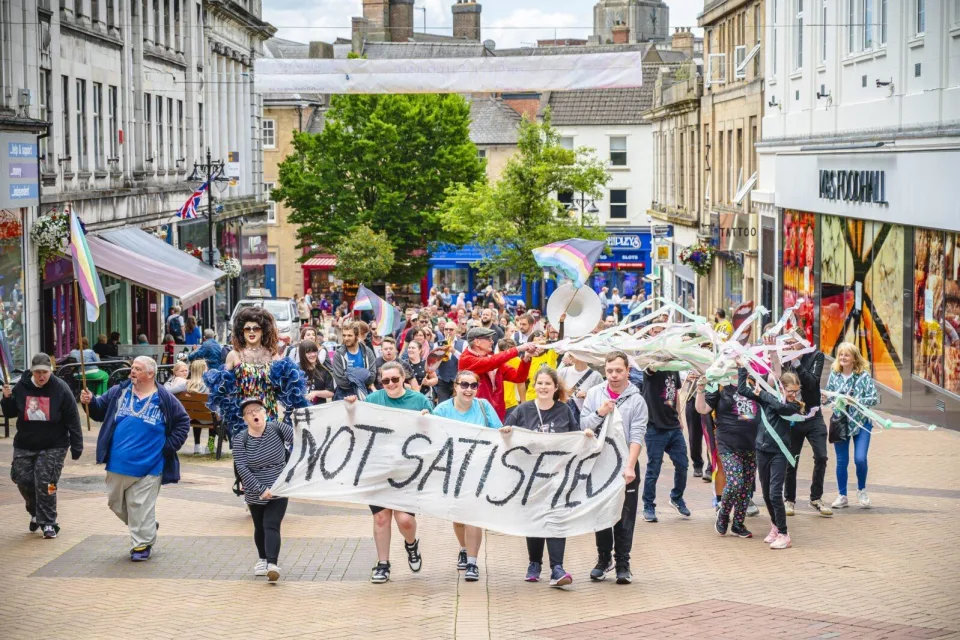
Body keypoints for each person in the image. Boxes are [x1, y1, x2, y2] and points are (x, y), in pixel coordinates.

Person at [80, 356, 190, 561]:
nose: (132, 371)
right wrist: (90, 401)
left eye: (138, 369)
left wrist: (168, 447)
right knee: (115, 503)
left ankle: (141, 546)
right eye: (132, 368)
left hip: (150, 465)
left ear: (150, 374)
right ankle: (146, 525)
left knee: (140, 505)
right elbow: (98, 411)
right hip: (117, 463)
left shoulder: (164, 397)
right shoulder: (119, 392)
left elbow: (183, 421)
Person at [347, 361, 432, 584]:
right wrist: (350, 408)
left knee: (404, 519)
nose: (391, 384)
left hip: (407, 470)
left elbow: (436, 432)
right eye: (385, 381)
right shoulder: (374, 400)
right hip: (379, 467)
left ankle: (411, 544)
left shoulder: (419, 400)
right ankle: (383, 564)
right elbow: (356, 425)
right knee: (382, 517)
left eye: (395, 379)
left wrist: (427, 419)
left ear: (403, 378)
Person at [503, 367, 585, 588]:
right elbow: (506, 437)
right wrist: (508, 434)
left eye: (548, 383)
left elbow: (574, 437)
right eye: (539, 383)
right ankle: (534, 564)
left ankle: (557, 567)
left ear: (555, 387)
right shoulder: (522, 411)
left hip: (558, 476)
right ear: (534, 385)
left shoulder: (564, 410)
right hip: (531, 477)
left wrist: (585, 437)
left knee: (556, 518)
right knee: (536, 518)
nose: (543, 387)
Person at [580, 352, 648, 584]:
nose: (614, 376)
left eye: (619, 371)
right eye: (609, 371)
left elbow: (637, 435)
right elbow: (584, 424)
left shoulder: (636, 399)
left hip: (625, 464)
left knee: (624, 514)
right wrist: (600, 412)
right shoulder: (594, 394)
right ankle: (603, 558)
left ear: (628, 370)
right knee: (601, 513)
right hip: (599, 464)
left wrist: (630, 466)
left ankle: (622, 563)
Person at [2, 353, 82, 538]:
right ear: (32, 372)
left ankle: (49, 522)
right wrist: (6, 399)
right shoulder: (22, 387)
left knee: (47, 484)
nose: (41, 376)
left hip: (54, 444)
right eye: (38, 372)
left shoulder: (60, 388)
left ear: (50, 371)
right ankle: (35, 513)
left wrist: (77, 446)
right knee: (22, 480)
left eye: (45, 372)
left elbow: (73, 418)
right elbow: (10, 413)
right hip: (25, 443)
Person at [432, 370, 501, 582]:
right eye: (464, 385)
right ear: (455, 386)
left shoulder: (483, 406)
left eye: (473, 385)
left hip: (479, 470)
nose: (468, 389)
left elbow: (498, 432)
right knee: (459, 517)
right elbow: (433, 437)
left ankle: (472, 562)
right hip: (452, 472)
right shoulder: (442, 409)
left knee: (473, 516)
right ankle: (463, 547)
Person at [205, 307, 307, 438]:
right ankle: (211, 444)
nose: (251, 332)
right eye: (247, 328)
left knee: (269, 452)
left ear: (263, 331)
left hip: (268, 412)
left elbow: (289, 386)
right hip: (243, 415)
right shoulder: (234, 355)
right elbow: (221, 388)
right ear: (241, 331)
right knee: (246, 453)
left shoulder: (273, 355)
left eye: (256, 328)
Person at [735, 367, 803, 549]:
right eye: (790, 391)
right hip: (762, 449)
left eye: (796, 391)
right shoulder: (769, 398)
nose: (794, 394)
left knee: (774, 493)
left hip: (779, 453)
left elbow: (780, 407)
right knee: (765, 494)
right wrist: (741, 367)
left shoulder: (794, 405)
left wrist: (763, 394)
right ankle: (775, 526)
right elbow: (742, 389)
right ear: (782, 388)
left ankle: (784, 534)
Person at [695, 369, 760, 538]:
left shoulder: (753, 383)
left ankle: (738, 524)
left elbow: (775, 377)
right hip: (728, 444)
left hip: (751, 443)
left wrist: (774, 355)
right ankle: (724, 513)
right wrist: (700, 389)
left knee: (746, 487)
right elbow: (702, 409)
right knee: (735, 482)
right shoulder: (718, 385)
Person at [233, 397, 293, 582]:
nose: (254, 414)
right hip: (254, 491)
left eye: (257, 410)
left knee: (271, 524)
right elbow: (242, 467)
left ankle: (272, 564)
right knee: (259, 526)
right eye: (249, 413)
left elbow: (302, 440)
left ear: (265, 412)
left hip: (279, 488)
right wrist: (259, 489)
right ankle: (262, 558)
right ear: (245, 419)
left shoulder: (278, 428)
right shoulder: (240, 439)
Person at [777, 342, 832, 517]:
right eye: (788, 344)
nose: (791, 347)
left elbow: (812, 383)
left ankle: (816, 498)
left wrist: (798, 364)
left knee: (822, 456)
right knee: (791, 460)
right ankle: (789, 500)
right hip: (793, 417)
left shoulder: (816, 356)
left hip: (813, 415)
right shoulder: (783, 358)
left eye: (795, 344)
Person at [826, 342, 880, 509]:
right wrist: (832, 400)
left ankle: (861, 490)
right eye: (840, 354)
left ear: (854, 358)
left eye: (846, 355)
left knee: (860, 458)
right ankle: (842, 495)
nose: (843, 357)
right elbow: (828, 396)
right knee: (842, 461)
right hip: (840, 422)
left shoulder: (863, 376)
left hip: (861, 423)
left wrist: (855, 401)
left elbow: (873, 398)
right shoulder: (834, 375)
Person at [639, 359, 690, 523]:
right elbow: (651, 367)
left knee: (682, 464)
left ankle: (676, 497)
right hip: (655, 427)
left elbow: (675, 394)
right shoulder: (651, 368)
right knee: (654, 468)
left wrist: (680, 418)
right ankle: (648, 506)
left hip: (673, 427)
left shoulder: (674, 368)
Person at [458, 327, 537, 420]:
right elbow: (490, 362)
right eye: (488, 339)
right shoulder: (466, 359)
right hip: (475, 415)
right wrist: (517, 349)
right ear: (477, 342)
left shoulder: (492, 359)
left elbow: (518, 378)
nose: (492, 342)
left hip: (496, 414)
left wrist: (526, 358)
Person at [331, 322, 377, 400]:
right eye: (344, 335)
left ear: (357, 336)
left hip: (364, 393)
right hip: (344, 395)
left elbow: (372, 377)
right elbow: (340, 381)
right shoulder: (339, 354)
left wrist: (349, 374)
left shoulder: (367, 352)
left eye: (349, 335)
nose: (346, 338)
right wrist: (363, 373)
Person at [184, 360, 212, 455]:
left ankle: (197, 446)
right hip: (208, 418)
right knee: (216, 415)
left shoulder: (186, 385)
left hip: (192, 418)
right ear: (203, 371)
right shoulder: (208, 385)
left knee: (197, 413)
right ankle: (210, 446)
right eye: (206, 369)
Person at [523, 330, 559, 401]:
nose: (541, 341)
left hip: (549, 398)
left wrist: (561, 322)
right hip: (532, 398)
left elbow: (559, 342)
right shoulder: (528, 359)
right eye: (538, 340)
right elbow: (522, 382)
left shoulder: (551, 354)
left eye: (543, 339)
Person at [299, 340, 335, 405]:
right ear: (302, 354)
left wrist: (316, 393)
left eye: (314, 351)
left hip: (319, 410)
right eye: (308, 352)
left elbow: (331, 393)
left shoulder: (324, 370)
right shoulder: (296, 370)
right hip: (301, 410)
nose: (313, 354)